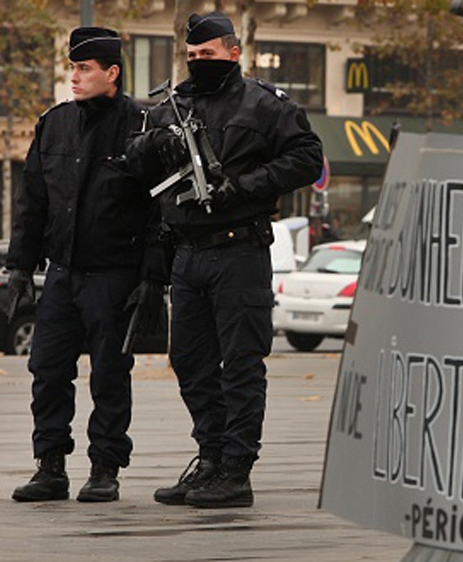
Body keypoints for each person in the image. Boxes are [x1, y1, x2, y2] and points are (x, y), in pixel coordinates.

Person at [126, 11, 322, 508]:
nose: (199, 63)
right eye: (192, 57)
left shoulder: (265, 104)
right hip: (187, 255)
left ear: (234, 52)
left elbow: (306, 157)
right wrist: (155, 142)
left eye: (208, 55)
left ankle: (237, 470)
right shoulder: (171, 106)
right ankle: (210, 458)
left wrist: (244, 187)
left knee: (240, 365)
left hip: (239, 250)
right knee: (190, 362)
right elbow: (135, 167)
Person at [6, 27, 166, 503]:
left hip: (114, 274)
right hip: (62, 272)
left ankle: (104, 468)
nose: (74, 77)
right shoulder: (54, 124)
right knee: (47, 370)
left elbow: (159, 211)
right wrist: (19, 265)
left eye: (84, 69)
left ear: (111, 72)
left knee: (109, 374)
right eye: (72, 68)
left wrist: (153, 278)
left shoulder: (142, 126)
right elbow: (32, 200)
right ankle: (50, 466)